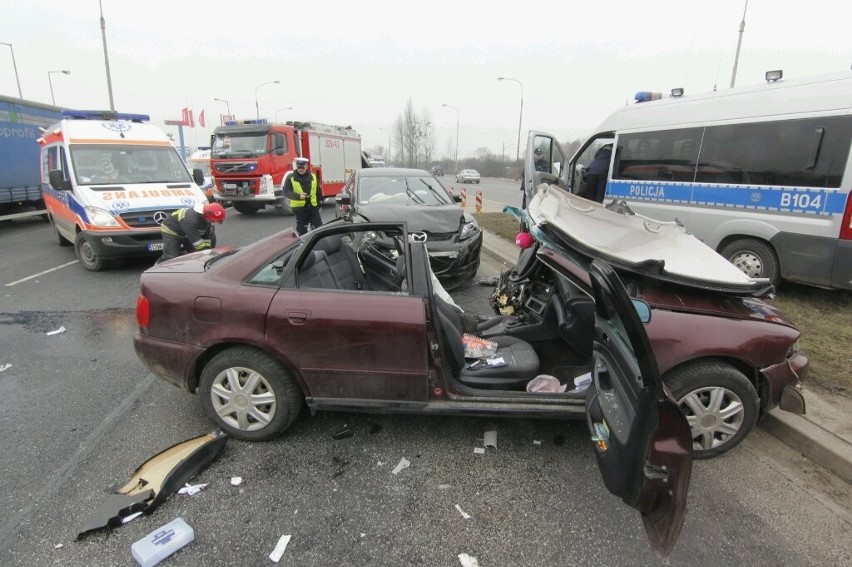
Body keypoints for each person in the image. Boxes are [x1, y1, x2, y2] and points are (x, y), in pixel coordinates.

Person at [158, 202, 226, 262]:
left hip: (187, 232)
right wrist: (205, 251)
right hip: (172, 230)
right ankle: (156, 269)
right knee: (171, 256)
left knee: (195, 255)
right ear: (205, 215)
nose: (213, 222)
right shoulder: (191, 218)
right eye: (212, 220)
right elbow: (194, 238)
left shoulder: (207, 219)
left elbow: (206, 235)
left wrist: (208, 249)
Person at [282, 156, 323, 235]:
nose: (300, 169)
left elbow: (318, 190)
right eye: (298, 167)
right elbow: (286, 191)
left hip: (313, 208)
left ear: (306, 167)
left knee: (319, 229)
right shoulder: (291, 178)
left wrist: (319, 203)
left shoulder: (313, 176)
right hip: (300, 209)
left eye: (302, 167)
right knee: (302, 231)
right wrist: (298, 196)